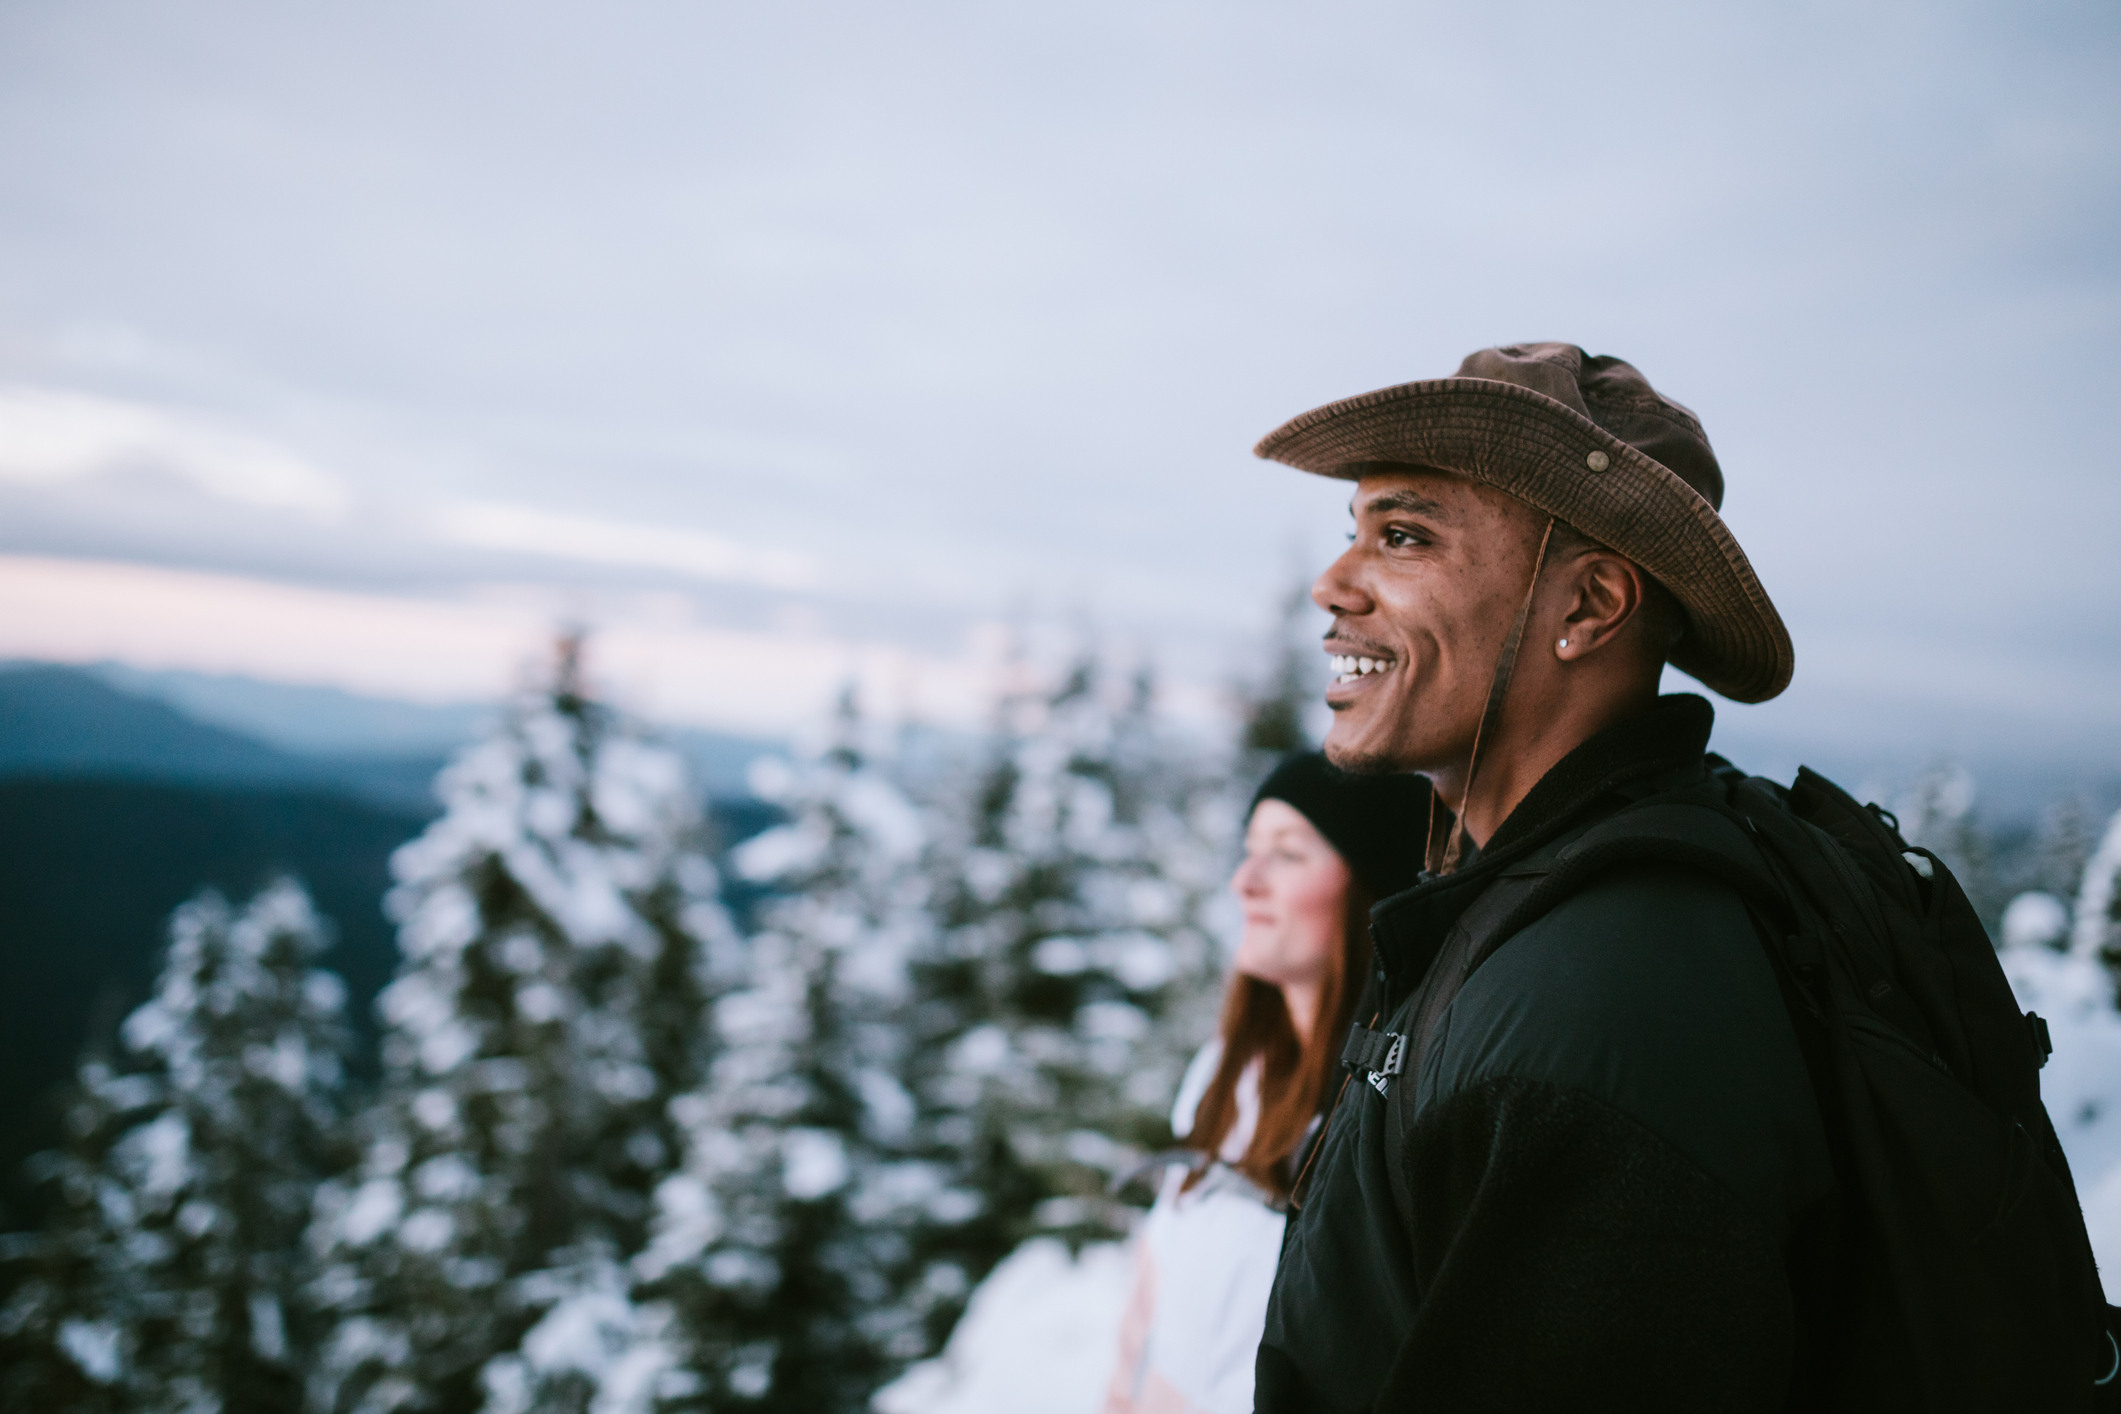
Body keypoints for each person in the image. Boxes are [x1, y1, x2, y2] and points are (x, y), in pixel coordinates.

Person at [1249, 343, 1838, 1410]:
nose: (1332, 585)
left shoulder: (1604, 1005)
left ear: (1589, 606)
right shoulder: (1527, 908)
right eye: (1356, 536)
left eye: (1405, 535)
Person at [1102, 752, 1427, 1414]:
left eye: (1287, 854)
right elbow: (1153, 1288)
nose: (1243, 881)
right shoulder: (1223, 1075)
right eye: (1249, 849)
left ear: (1371, 886)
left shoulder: (1393, 1113)